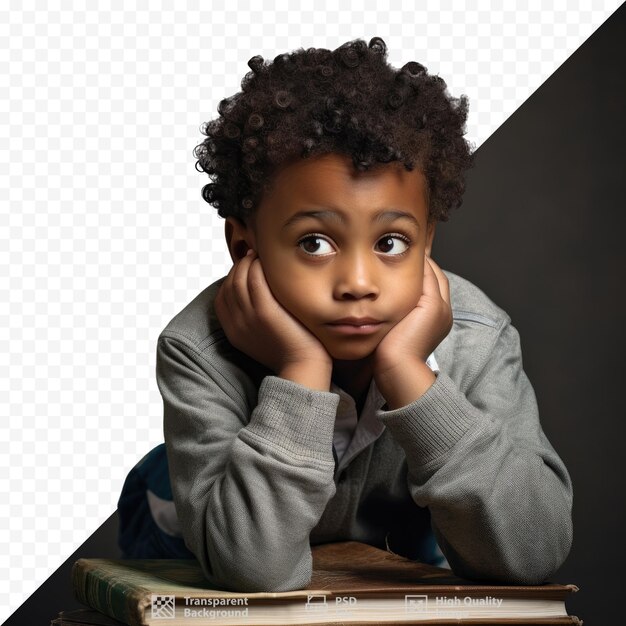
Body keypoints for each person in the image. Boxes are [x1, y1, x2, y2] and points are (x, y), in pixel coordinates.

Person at [117, 36, 573, 592]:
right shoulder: (198, 347)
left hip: (391, 535)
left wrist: (412, 376)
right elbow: (252, 570)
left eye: (391, 243)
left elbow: (534, 551)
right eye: (314, 243)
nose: (358, 283)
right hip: (194, 527)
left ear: (427, 242)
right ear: (245, 247)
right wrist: (301, 368)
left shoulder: (477, 334)